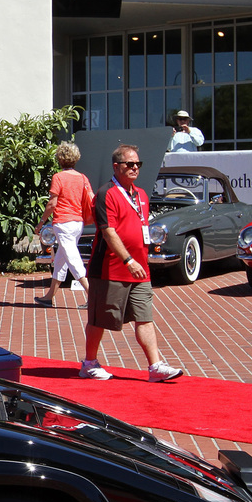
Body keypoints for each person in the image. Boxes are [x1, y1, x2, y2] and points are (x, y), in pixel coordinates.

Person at [79, 144, 184, 382]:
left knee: (145, 316)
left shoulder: (142, 195)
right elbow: (108, 232)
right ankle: (89, 363)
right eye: (130, 164)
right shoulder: (106, 194)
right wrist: (128, 260)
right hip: (110, 268)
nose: (135, 167)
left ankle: (155, 366)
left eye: (138, 164)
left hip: (140, 269)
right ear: (116, 167)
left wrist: (140, 260)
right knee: (99, 319)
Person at [36, 141, 93, 307]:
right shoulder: (83, 178)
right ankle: (48, 297)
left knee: (73, 259)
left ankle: (93, 296)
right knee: (61, 259)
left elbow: (52, 204)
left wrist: (41, 222)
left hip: (63, 223)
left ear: (60, 159)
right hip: (77, 222)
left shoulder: (58, 177)